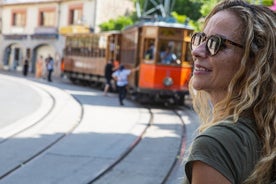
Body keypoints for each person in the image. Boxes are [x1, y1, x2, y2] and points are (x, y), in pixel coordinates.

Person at [184, 1, 276, 184]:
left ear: (254, 62)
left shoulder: (216, 144)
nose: (197, 51)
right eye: (200, 38)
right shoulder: (266, 133)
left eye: (216, 44)